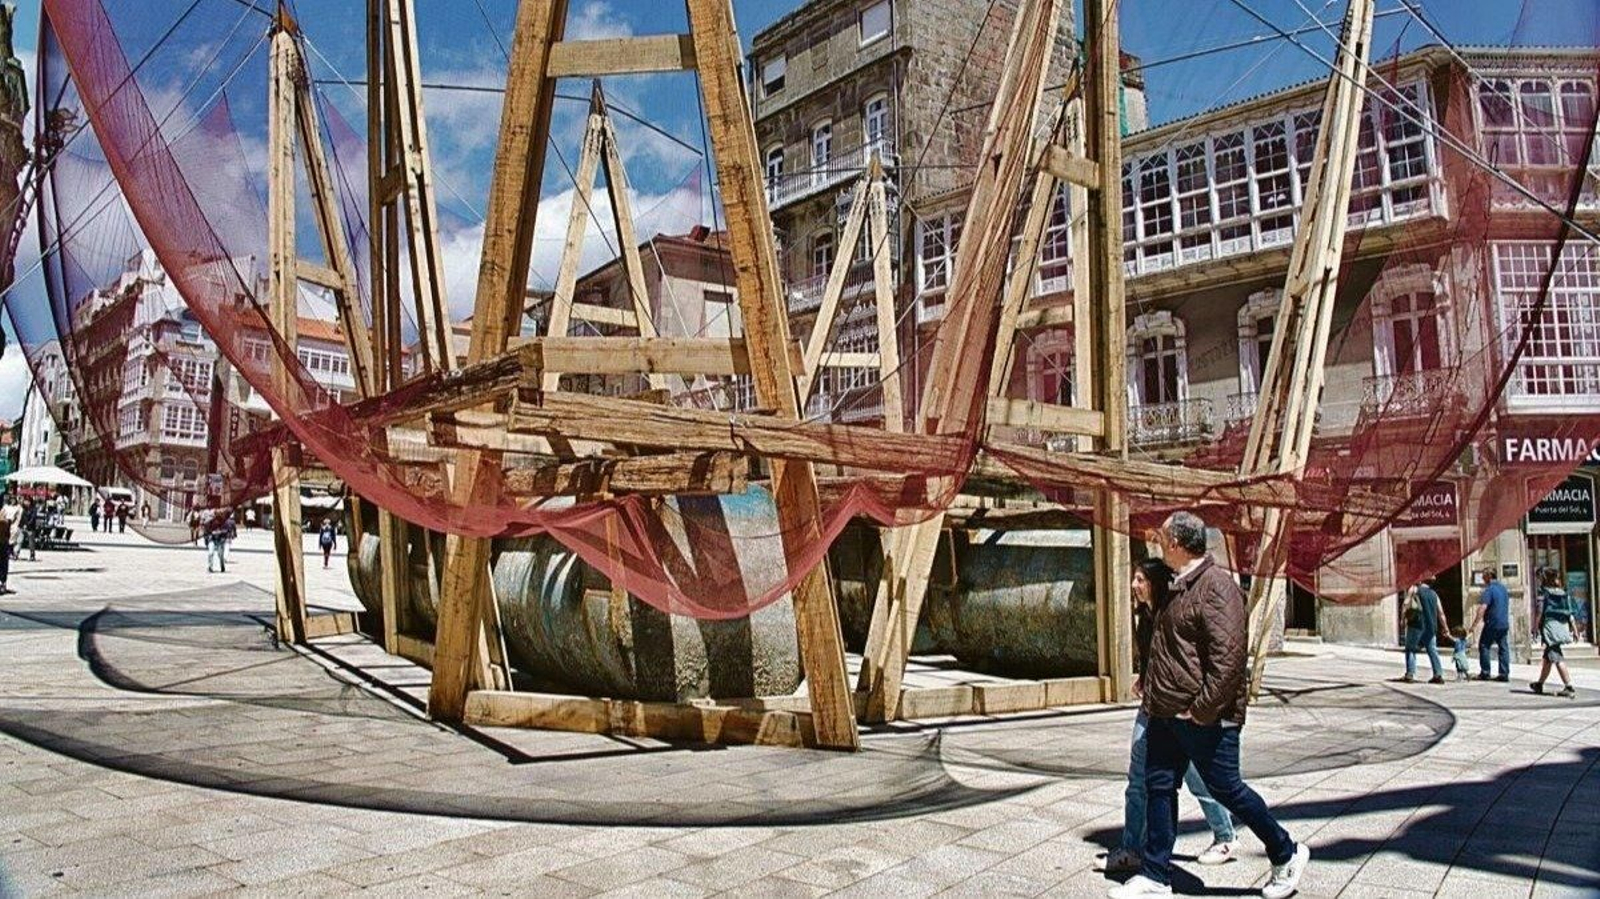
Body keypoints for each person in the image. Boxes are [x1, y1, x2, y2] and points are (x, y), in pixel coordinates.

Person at [1111, 511, 1310, 899]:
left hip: (1205, 718)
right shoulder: (1175, 585)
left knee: (1227, 789)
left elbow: (1230, 660)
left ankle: (1286, 852)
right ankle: (1155, 875)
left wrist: (1200, 710)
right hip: (1166, 713)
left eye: (1163, 537)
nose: (1158, 541)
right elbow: (1169, 649)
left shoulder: (1218, 588)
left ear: (1177, 544)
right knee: (1159, 787)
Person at [1102, 557, 1240, 875]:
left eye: (1140, 579)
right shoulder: (1145, 618)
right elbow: (1155, 659)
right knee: (1138, 776)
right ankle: (1132, 848)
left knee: (1199, 778)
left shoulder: (1173, 611)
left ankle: (1225, 835)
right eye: (1134, 579)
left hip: (1177, 707)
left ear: (1154, 582)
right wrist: (1143, 679)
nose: (1134, 585)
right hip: (1153, 705)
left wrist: (1199, 706)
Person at [1531, 568, 1577, 698]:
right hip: (1562, 626)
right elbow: (1569, 612)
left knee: (1556, 655)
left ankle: (1569, 686)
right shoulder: (1563, 592)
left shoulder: (1543, 592)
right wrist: (1574, 628)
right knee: (1548, 658)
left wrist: (1535, 627)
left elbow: (1540, 611)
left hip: (1550, 627)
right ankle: (1539, 684)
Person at [1402, 580, 1450, 684]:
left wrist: (1403, 619)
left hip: (1416, 624)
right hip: (1431, 627)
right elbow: (1441, 613)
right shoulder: (1434, 594)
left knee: (1411, 649)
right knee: (1432, 650)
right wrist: (1445, 628)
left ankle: (1410, 674)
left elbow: (1406, 604)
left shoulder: (1414, 589)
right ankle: (1438, 674)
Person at [1472, 569, 1511, 682]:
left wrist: (1474, 625)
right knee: (1503, 647)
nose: (1483, 579)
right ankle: (1504, 673)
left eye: (1484, 576)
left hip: (1492, 623)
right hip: (1503, 623)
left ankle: (1485, 672)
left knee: (1484, 645)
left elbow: (1483, 607)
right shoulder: (1503, 588)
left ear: (1489, 576)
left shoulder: (1489, 590)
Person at [2, 494, 21, 560]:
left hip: (13, 525)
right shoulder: (6, 507)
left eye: (14, 500)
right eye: (11, 499)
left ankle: (11, 552)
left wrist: (15, 523)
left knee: (12, 540)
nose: (12, 501)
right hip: (5, 524)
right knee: (6, 539)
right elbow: (2, 514)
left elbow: (18, 517)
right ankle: (9, 552)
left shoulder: (18, 508)